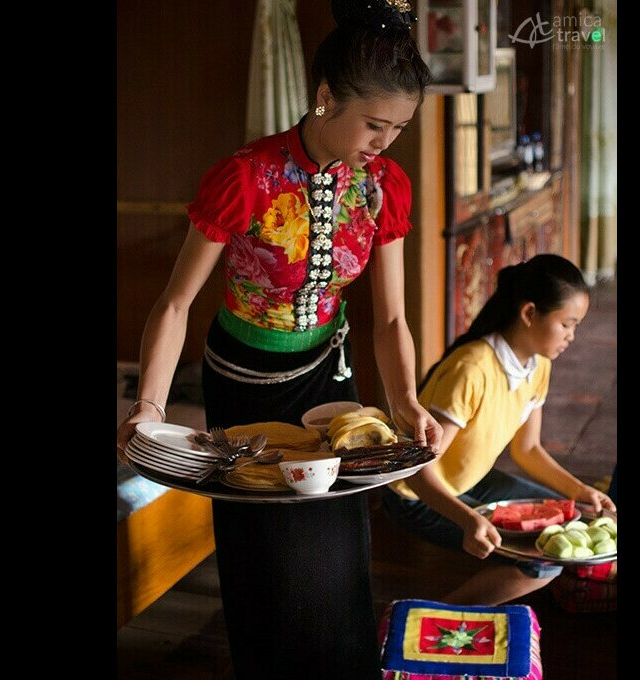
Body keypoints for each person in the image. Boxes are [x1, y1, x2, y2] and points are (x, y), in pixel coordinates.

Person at [116, 1, 441, 677]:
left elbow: (389, 320)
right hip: (244, 380)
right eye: (374, 125)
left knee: (334, 552)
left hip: (330, 376)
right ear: (325, 97)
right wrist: (149, 408)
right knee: (267, 559)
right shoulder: (246, 177)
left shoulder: (384, 187)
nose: (385, 143)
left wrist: (406, 400)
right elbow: (175, 303)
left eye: (398, 129)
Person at [382, 254, 617, 606]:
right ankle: (430, 620)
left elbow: (528, 449)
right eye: (567, 324)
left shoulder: (538, 363)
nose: (572, 336)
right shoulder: (472, 370)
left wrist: (581, 491)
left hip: (469, 478)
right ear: (529, 313)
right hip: (413, 495)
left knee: (571, 522)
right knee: (543, 561)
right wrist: (467, 520)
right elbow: (416, 471)